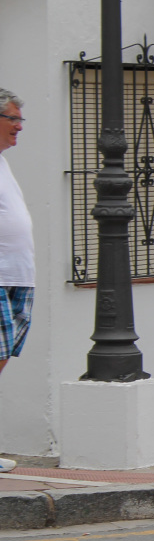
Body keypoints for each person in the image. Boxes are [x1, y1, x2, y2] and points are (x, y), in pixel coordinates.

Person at [0, 88, 34, 473]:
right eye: (13, 119)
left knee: (2, 359)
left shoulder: (4, 162)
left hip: (19, 278)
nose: (19, 127)